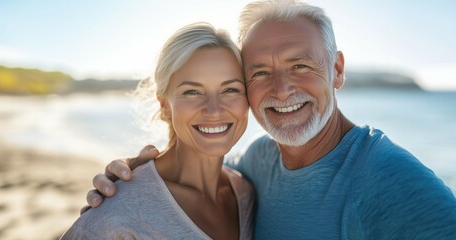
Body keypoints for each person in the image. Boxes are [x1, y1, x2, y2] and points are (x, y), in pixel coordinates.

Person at [85, 0, 456, 239]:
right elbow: (198, 170)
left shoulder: (390, 181)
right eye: (260, 72)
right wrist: (139, 173)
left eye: (300, 65)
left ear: (338, 70)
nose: (281, 90)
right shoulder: (258, 164)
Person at [61, 22, 255, 239]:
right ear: (164, 104)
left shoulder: (247, 194)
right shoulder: (116, 217)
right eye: (192, 92)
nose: (214, 109)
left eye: (230, 89)